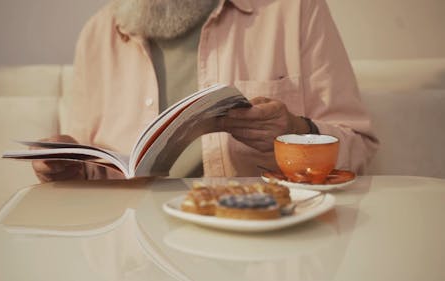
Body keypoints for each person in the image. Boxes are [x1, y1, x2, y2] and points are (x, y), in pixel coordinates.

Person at [33, 0, 379, 183]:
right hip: (128, 248)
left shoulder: (295, 10)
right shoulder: (97, 34)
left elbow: (358, 149)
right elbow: (87, 168)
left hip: (257, 241)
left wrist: (296, 135)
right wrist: (68, 166)